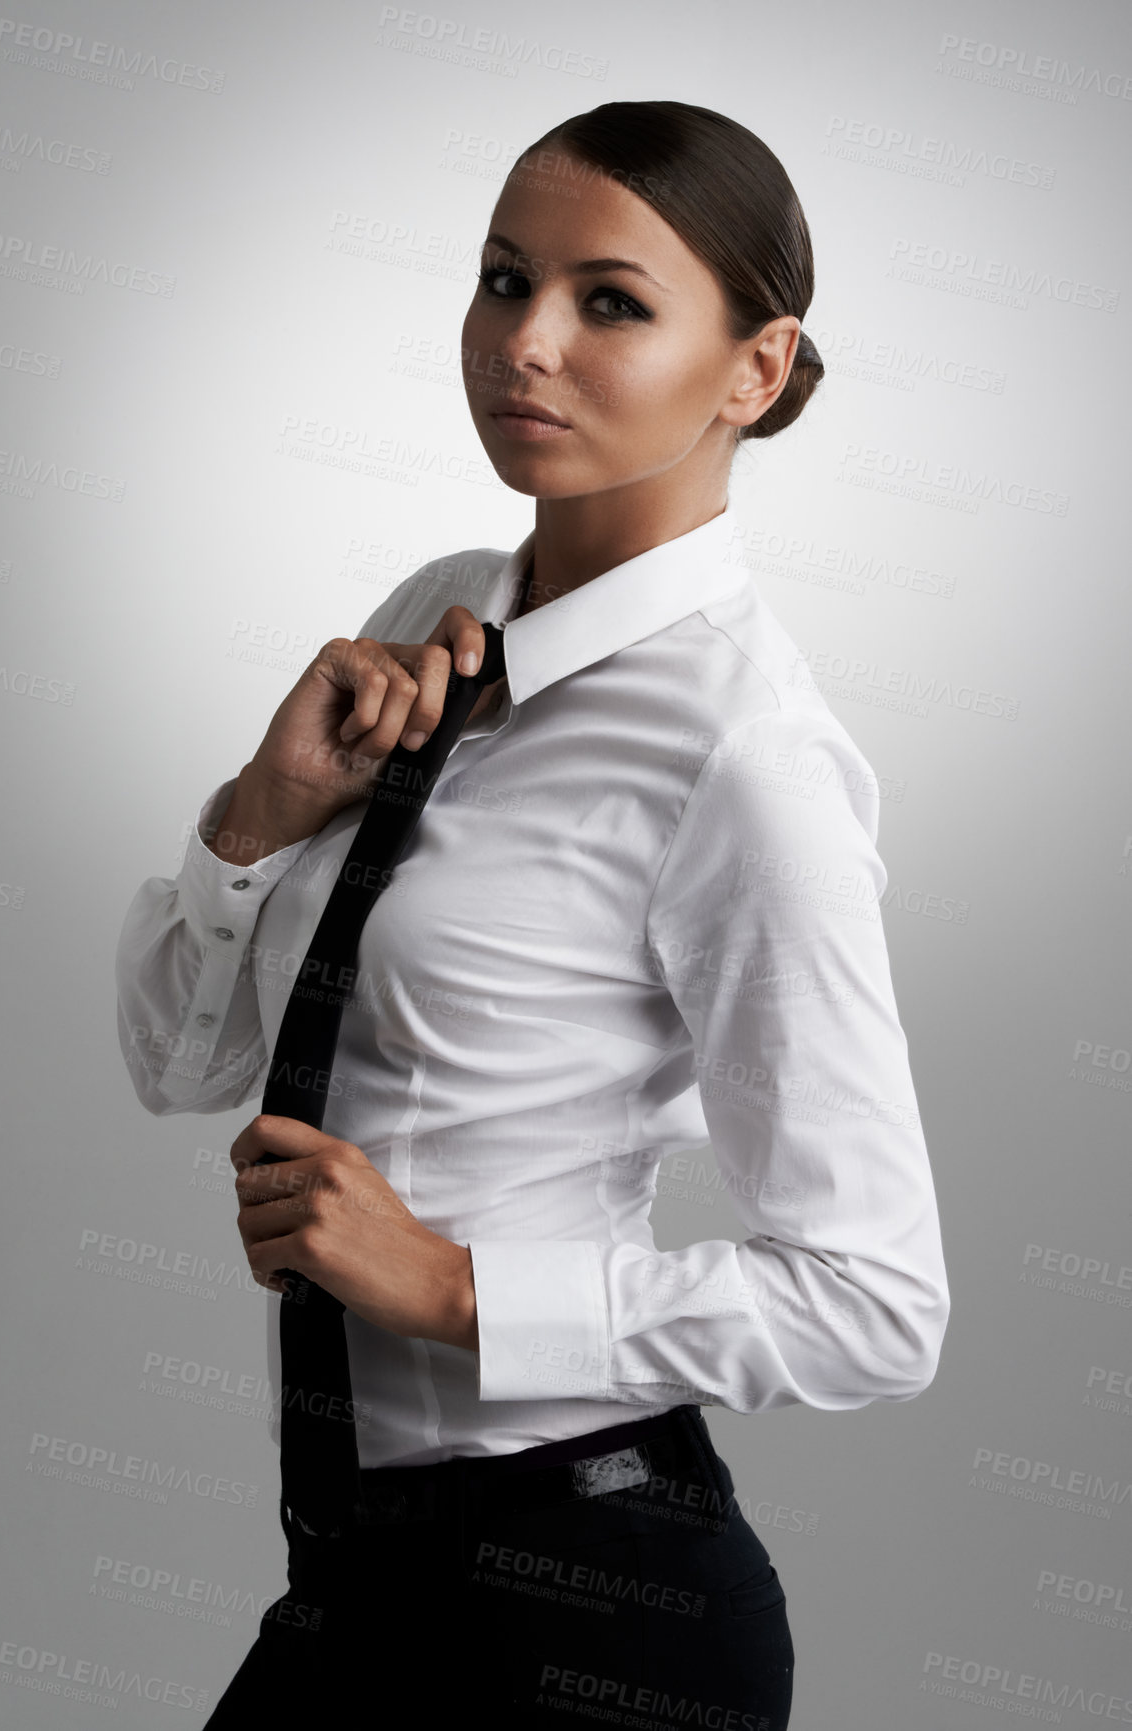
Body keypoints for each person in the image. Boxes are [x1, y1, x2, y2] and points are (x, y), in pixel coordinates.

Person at [115, 100, 950, 1728]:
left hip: (599, 1606)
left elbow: (878, 1305)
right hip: (355, 1572)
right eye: (506, 280)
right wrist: (257, 816)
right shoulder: (436, 618)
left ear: (755, 371)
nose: (527, 343)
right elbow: (178, 1065)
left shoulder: (746, 757)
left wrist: (456, 1290)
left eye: (611, 302)